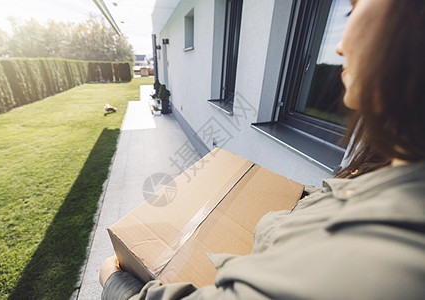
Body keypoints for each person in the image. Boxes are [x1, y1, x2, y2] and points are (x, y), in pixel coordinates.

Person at [100, 0, 425, 298]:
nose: (338, 46)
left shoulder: (375, 259)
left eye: (351, 8)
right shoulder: (389, 171)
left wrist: (116, 281)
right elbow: (337, 194)